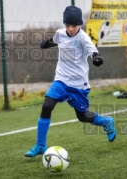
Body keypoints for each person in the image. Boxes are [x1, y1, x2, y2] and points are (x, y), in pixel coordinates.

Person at [24, 6, 116, 158]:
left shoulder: (83, 38)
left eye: (74, 26)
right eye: (68, 25)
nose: (71, 29)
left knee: (83, 117)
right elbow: (55, 40)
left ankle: (106, 122)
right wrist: (45, 44)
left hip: (78, 85)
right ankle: (40, 145)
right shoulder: (60, 33)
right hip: (61, 80)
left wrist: (97, 58)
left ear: (79, 24)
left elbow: (92, 50)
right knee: (47, 106)